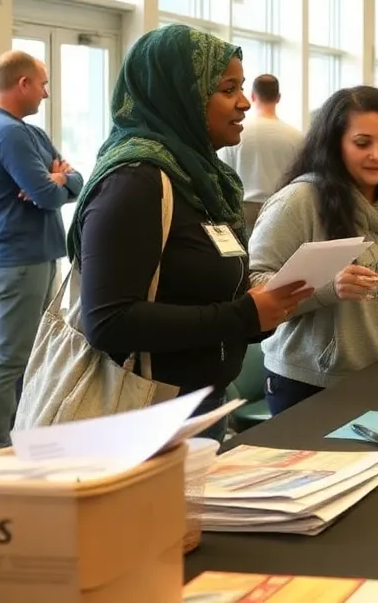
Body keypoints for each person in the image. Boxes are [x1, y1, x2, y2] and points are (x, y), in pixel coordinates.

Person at [70, 26, 311, 440]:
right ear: (178, 94)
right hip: (143, 416)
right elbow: (109, 321)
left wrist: (260, 312)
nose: (242, 104)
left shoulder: (205, 180)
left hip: (200, 407)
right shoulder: (135, 181)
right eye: (227, 89)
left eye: (242, 88)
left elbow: (196, 292)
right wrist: (242, 314)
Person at [250, 86, 378, 415]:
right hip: (312, 385)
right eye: (362, 143)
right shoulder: (299, 202)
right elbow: (254, 285)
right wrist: (327, 287)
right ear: (335, 145)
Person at [0, 50, 84, 447]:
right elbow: (47, 195)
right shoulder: (8, 133)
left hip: (39, 257)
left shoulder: (29, 132)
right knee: (10, 359)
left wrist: (59, 180)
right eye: (43, 84)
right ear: (23, 84)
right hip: (18, 260)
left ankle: (20, 437)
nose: (46, 94)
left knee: (32, 357)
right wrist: (54, 182)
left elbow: (78, 178)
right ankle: (1, 447)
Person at [218, 74, 304, 236]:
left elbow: (224, 175)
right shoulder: (296, 136)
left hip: (242, 207)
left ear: (252, 96)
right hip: (281, 207)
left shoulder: (236, 133)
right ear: (278, 98)